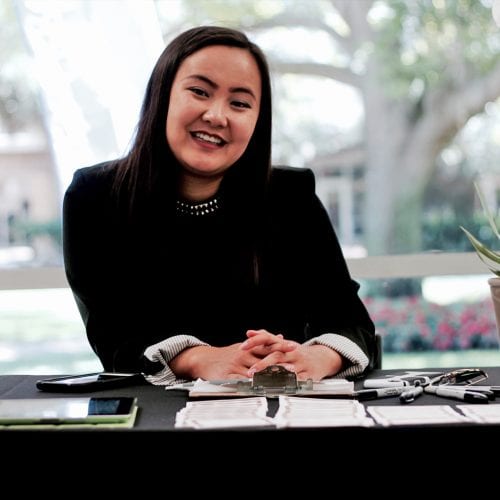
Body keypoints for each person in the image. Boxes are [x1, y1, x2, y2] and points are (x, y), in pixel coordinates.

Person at [63, 25, 377, 385]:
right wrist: (199, 358)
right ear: (162, 95)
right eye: (199, 91)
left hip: (282, 405)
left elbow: (349, 319)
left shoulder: (292, 196)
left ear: (258, 120)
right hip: (156, 412)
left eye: (240, 103)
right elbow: (113, 334)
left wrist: (316, 356)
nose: (216, 116)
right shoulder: (96, 196)